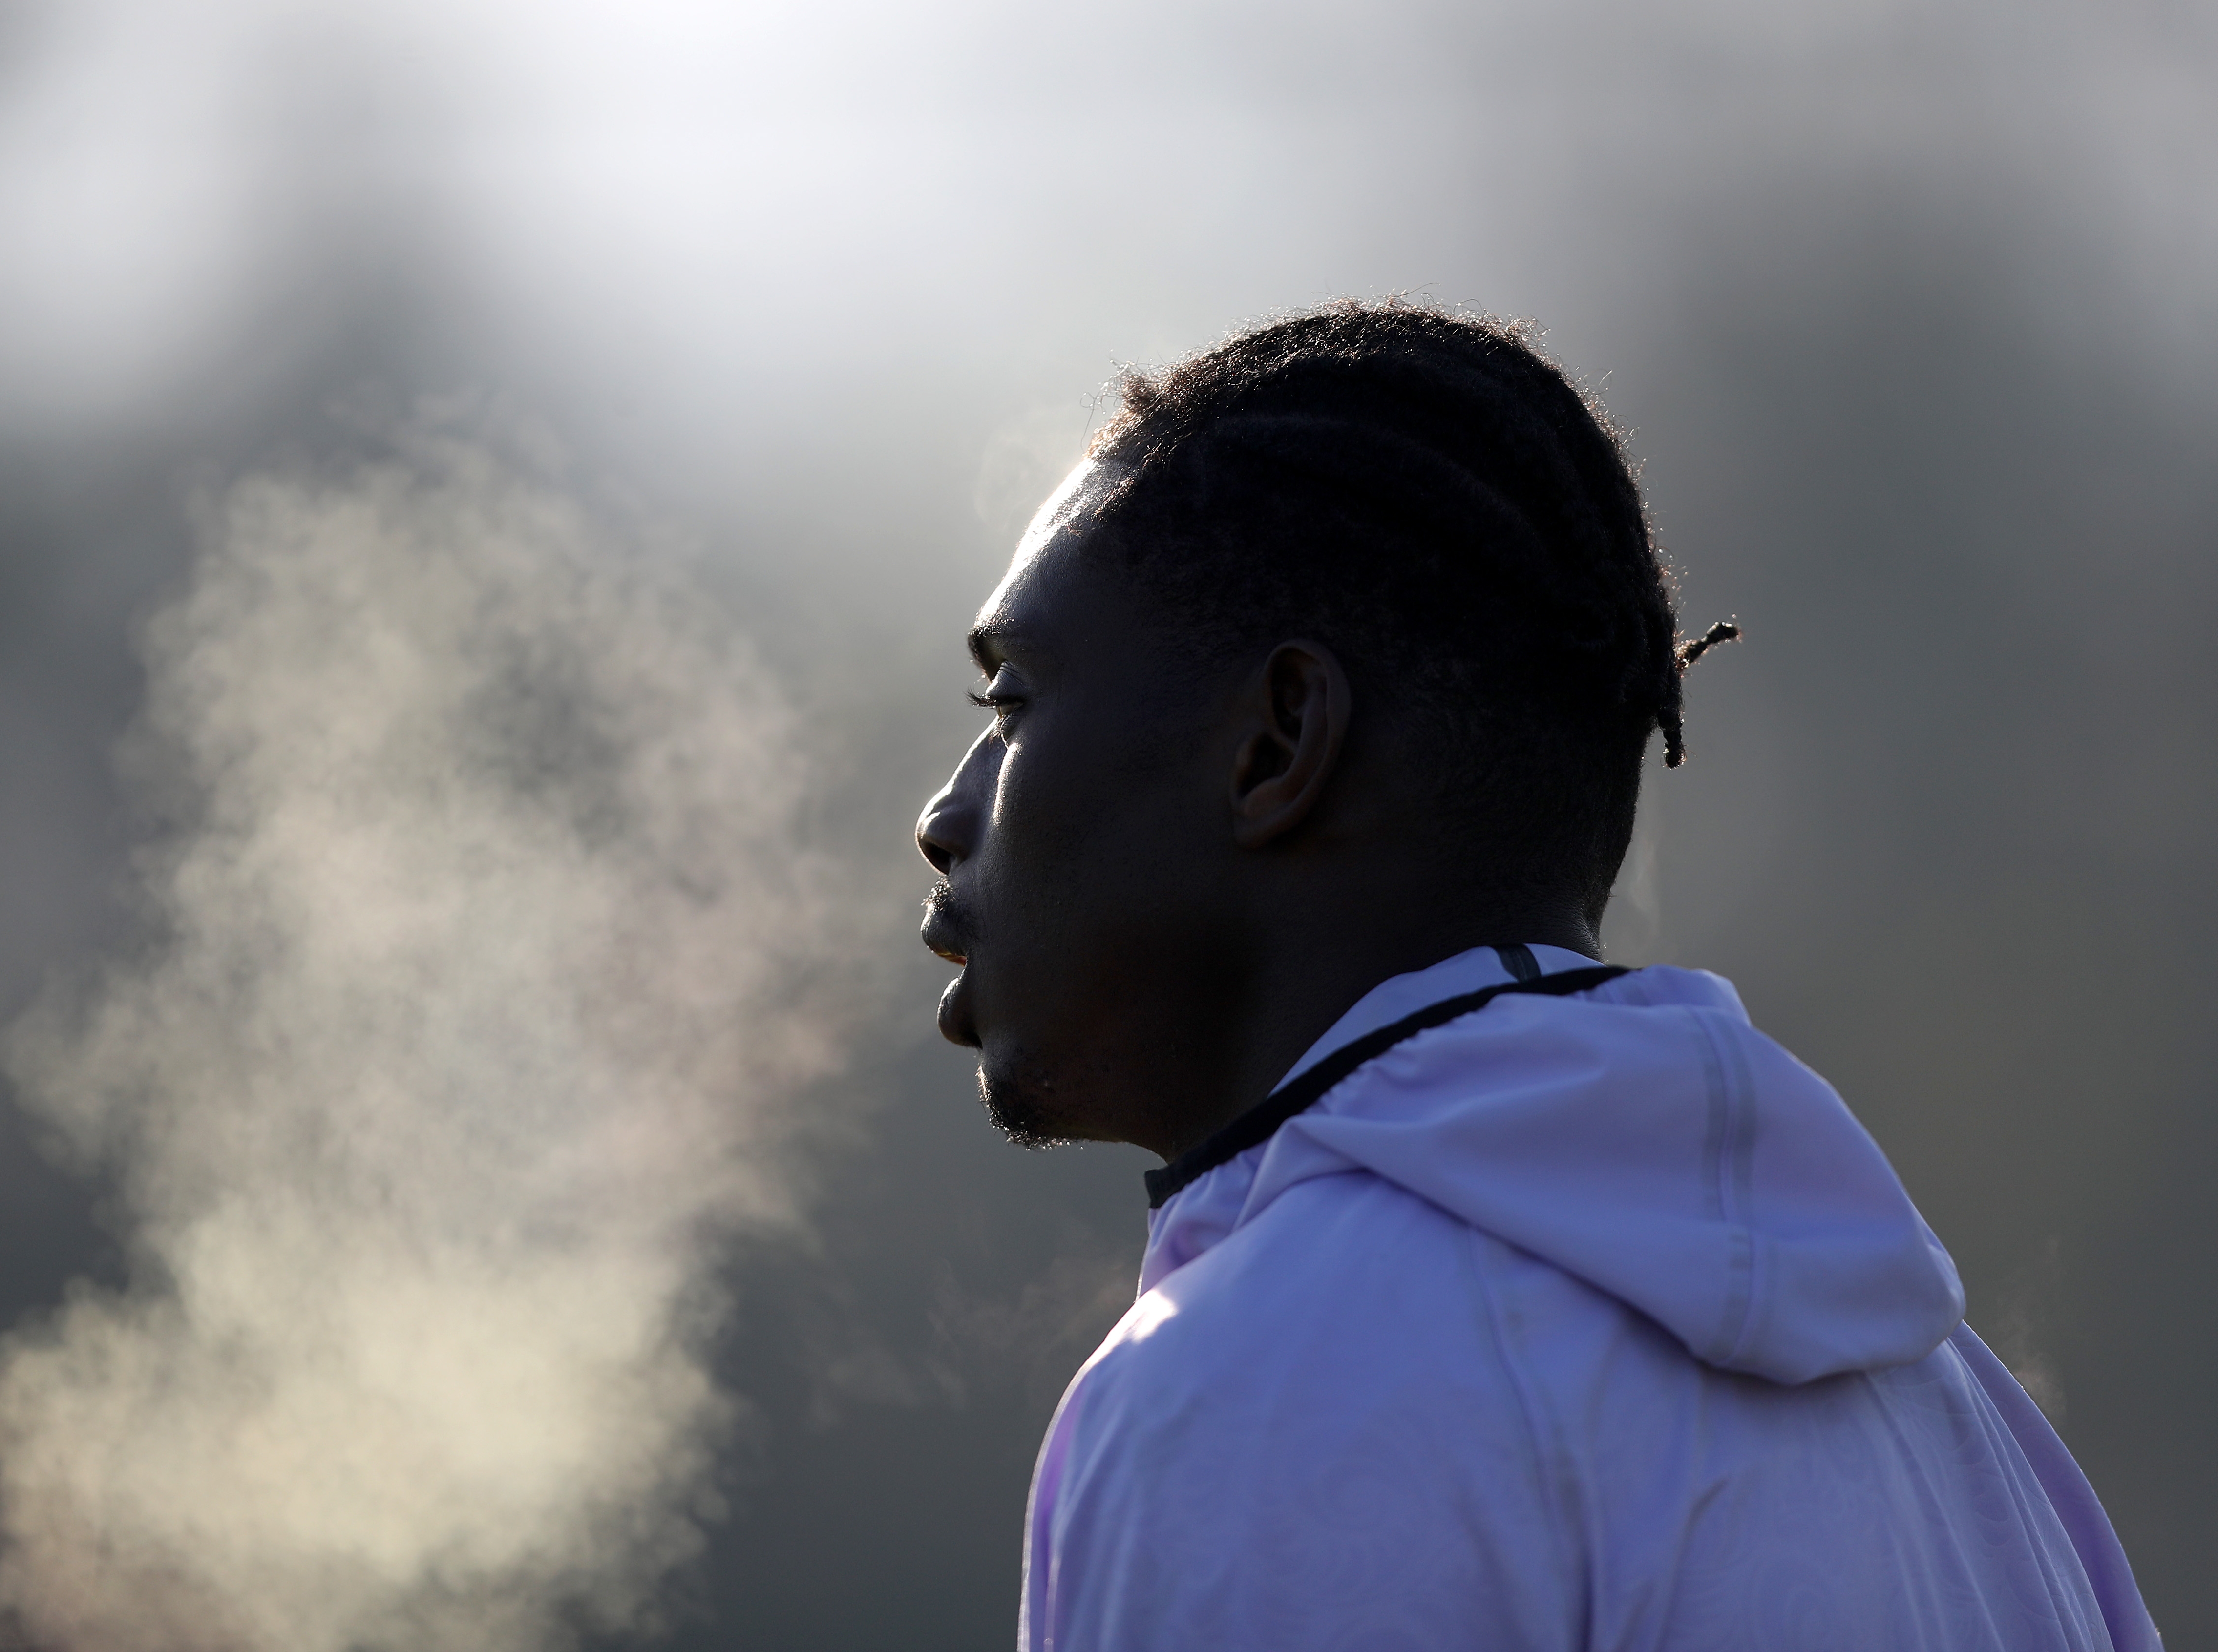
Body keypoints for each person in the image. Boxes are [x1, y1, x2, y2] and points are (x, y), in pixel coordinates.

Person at [912, 302, 2157, 1650]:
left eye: (1012, 704)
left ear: (1274, 743)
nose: (944, 812)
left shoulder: (1255, 1390)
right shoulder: (1959, 1423)